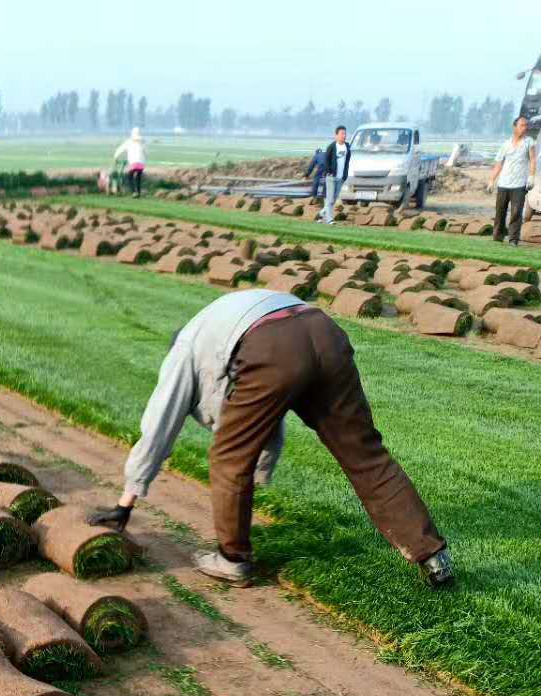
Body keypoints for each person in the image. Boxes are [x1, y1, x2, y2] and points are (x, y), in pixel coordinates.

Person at [89, 289, 453, 589]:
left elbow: (159, 426)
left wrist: (126, 502)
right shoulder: (223, 321)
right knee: (365, 453)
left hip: (273, 343)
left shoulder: (185, 350)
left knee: (228, 458)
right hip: (323, 330)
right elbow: (270, 406)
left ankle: (232, 559)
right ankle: (432, 554)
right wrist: (262, 466)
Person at [488, 114, 537, 246]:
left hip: (519, 184)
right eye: (522, 125)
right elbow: (499, 163)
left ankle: (513, 239)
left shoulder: (529, 142)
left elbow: (533, 160)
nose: (525, 128)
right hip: (503, 183)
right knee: (500, 211)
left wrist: (531, 176)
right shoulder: (505, 144)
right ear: (514, 127)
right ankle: (497, 237)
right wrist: (492, 181)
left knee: (516, 212)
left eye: (526, 125)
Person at [320, 125, 351, 224]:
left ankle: (323, 213)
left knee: (334, 199)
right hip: (331, 177)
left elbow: (347, 161)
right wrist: (329, 171)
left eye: (345, 133)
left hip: (341, 178)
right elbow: (325, 161)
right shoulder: (331, 147)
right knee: (329, 199)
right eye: (342, 134)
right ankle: (329, 220)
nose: (344, 135)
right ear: (336, 135)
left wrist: (345, 175)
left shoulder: (347, 146)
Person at [114, 127, 147, 197]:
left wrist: (115, 157)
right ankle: (138, 192)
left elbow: (120, 149)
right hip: (141, 164)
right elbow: (146, 152)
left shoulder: (129, 142)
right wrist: (144, 159)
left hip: (133, 163)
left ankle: (133, 192)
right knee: (138, 178)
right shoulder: (142, 142)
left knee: (130, 177)